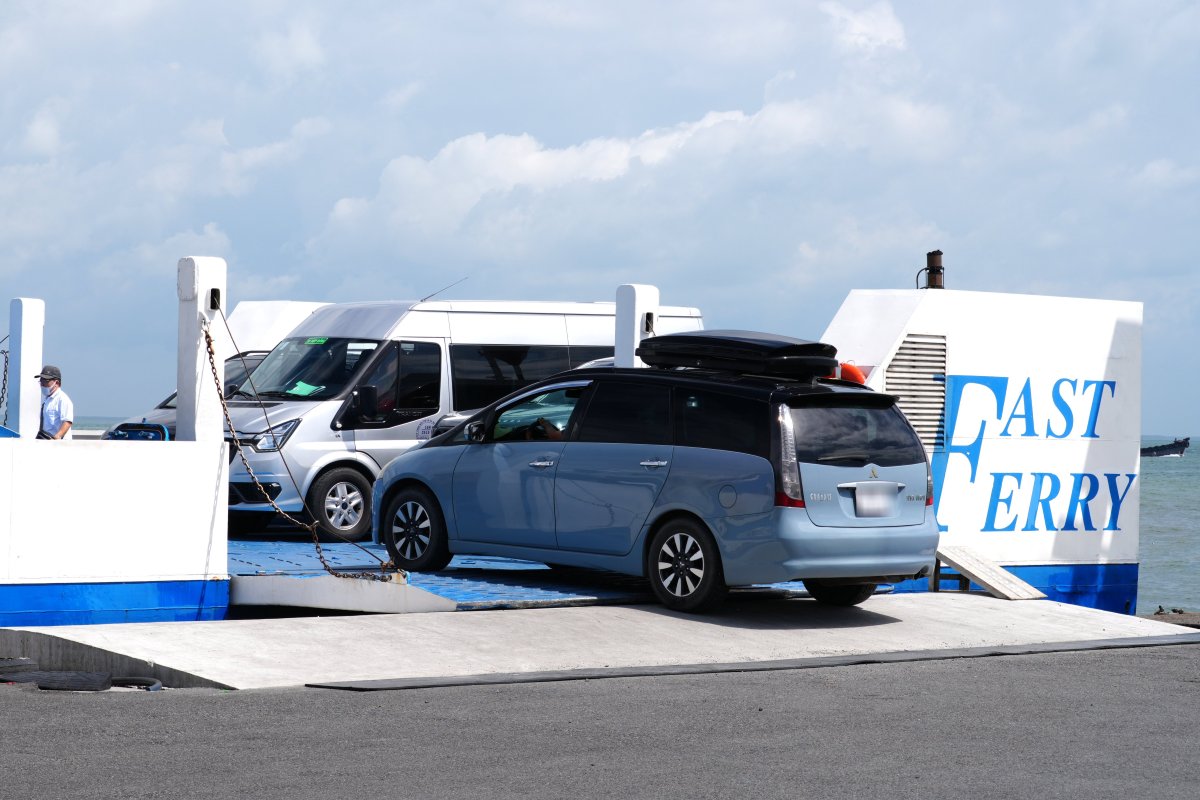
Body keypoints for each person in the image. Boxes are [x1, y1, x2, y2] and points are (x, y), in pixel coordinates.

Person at [34, 365, 73, 440]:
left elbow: (67, 421)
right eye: (41, 381)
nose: (42, 384)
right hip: (46, 441)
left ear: (56, 383)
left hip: (59, 444)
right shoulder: (47, 399)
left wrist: (57, 437)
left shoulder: (63, 399)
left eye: (45, 381)